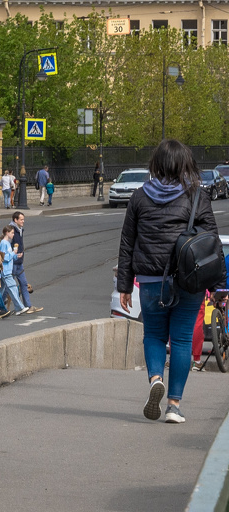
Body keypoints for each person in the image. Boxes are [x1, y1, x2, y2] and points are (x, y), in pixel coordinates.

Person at [117, 139, 218, 423]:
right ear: (184, 164)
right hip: (189, 279)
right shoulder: (197, 196)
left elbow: (127, 243)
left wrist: (124, 285)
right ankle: (173, 405)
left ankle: (155, 379)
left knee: (154, 335)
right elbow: (211, 245)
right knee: (183, 339)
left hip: (150, 281)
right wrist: (216, 285)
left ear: (156, 164)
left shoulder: (138, 197)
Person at [10, 211, 42, 312]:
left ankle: (28, 306)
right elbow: (5, 245)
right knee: (7, 287)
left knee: (23, 284)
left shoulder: (20, 230)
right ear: (15, 220)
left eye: (23, 219)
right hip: (13, 263)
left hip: (19, 263)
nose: (23, 221)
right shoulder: (11, 230)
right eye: (21, 219)